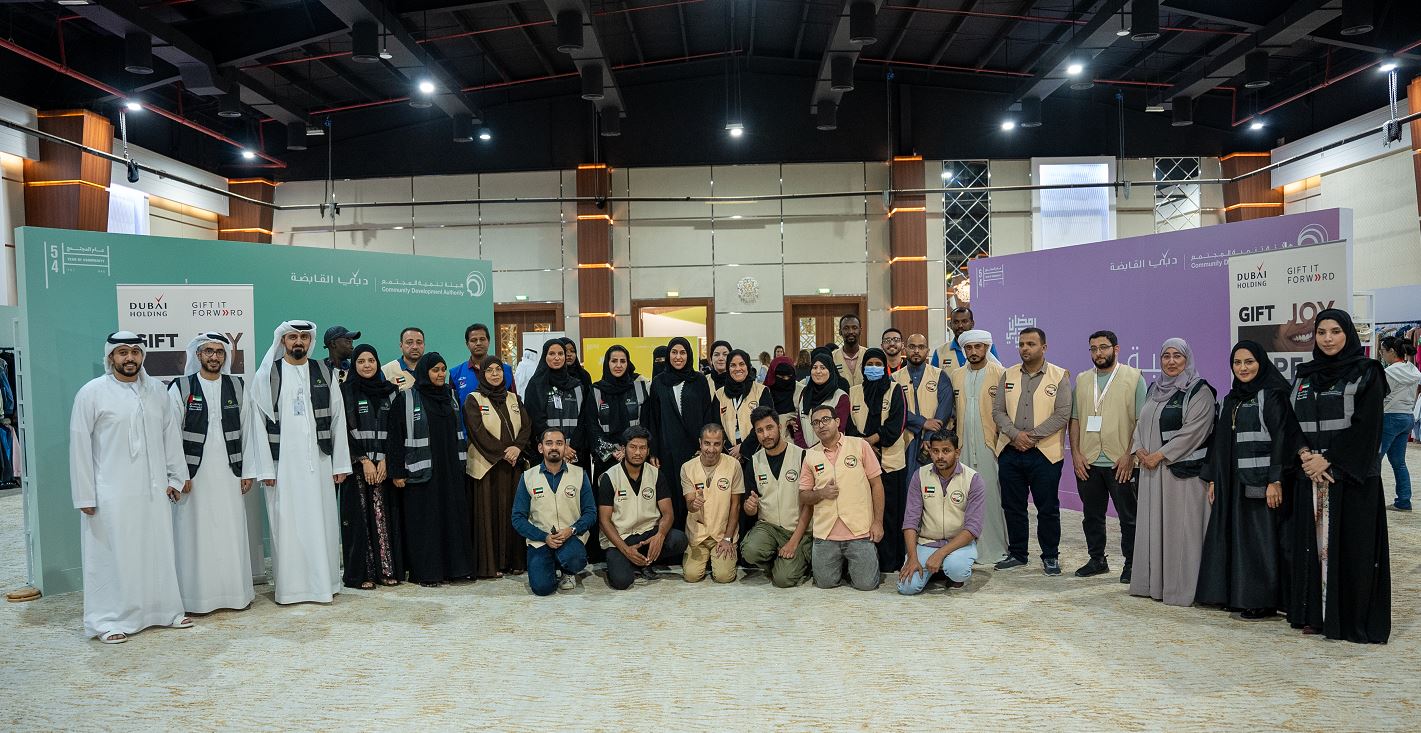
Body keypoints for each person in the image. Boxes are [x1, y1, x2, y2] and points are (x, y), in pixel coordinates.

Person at [69, 332, 191, 643]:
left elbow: (170, 437)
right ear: (110, 357)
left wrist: (176, 477)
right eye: (122, 352)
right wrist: (84, 494)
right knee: (112, 556)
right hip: (111, 491)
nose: (130, 358)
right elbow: (79, 445)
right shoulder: (92, 393)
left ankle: (165, 612)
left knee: (157, 550)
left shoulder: (157, 391)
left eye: (135, 352)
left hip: (153, 489)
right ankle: (107, 621)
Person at [1287, 309, 1391, 643]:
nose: (1328, 338)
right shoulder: (1304, 375)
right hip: (1311, 476)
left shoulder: (1367, 372)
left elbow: (1368, 426)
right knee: (1312, 549)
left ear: (1348, 334)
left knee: (1352, 551)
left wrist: (1329, 459)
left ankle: (1347, 619)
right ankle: (1315, 616)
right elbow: (1290, 422)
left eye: (1335, 331)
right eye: (1321, 332)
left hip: (1350, 478)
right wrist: (1304, 454)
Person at [247, 320, 351, 605]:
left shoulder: (324, 371)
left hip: (320, 461)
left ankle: (324, 584)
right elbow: (258, 423)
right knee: (287, 524)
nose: (299, 342)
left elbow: (338, 417)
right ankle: (291, 589)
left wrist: (340, 464)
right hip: (282, 465)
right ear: (283, 341)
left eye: (304, 337)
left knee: (322, 521)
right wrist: (265, 468)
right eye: (293, 337)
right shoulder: (268, 374)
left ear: (310, 341)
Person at [1196, 341, 1301, 619]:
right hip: (1231, 484)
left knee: (1260, 540)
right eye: (1237, 363)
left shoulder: (1274, 395)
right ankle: (1238, 595)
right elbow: (1219, 442)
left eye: (1249, 362)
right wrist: (1214, 479)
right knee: (1235, 538)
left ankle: (1263, 600)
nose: (1242, 368)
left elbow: (1282, 439)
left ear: (1261, 363)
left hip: (1261, 481)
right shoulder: (1231, 399)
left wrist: (1275, 480)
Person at [167, 332, 255, 613]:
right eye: (208, 351)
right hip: (193, 474)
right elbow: (170, 435)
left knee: (230, 531)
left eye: (219, 352)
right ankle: (195, 598)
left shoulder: (237, 386)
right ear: (198, 355)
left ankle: (235, 595)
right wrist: (179, 475)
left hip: (230, 472)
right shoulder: (181, 387)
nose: (214, 356)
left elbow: (248, 430)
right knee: (194, 534)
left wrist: (248, 471)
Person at [1128, 338, 1216, 605]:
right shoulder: (1154, 388)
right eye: (1166, 356)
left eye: (1178, 356)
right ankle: (1152, 584)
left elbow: (1194, 432)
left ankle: (1180, 590)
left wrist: (1159, 455)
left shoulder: (1200, 391)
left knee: (1180, 533)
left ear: (1187, 359)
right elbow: (1141, 422)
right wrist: (1138, 449)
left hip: (1182, 476)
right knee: (1153, 529)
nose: (1171, 361)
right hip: (1152, 473)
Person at [387, 352, 474, 587]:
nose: (441, 374)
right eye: (435, 370)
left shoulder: (451, 397)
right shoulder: (406, 398)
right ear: (425, 372)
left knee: (451, 520)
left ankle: (456, 569)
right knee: (426, 523)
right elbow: (395, 437)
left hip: (450, 471)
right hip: (421, 474)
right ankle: (427, 573)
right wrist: (397, 471)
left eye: (443, 369)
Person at [992, 327, 1071, 575]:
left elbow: (1062, 414)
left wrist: (1031, 437)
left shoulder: (1059, 375)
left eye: (1031, 344)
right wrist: (1015, 435)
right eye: (1022, 344)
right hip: (1010, 450)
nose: (1025, 348)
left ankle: (1050, 556)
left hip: (1044, 454)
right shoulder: (1008, 374)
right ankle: (1018, 553)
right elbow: (998, 412)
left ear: (1043, 348)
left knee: (1047, 508)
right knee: (1013, 506)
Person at [1068, 330, 1147, 581]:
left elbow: (1141, 421)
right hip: (1088, 461)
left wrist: (1129, 455)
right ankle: (1097, 560)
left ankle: (1132, 564)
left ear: (1116, 349)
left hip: (1120, 462)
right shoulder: (1082, 379)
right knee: (1092, 516)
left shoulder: (1134, 378)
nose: (1098, 353)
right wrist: (1076, 454)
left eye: (1103, 347)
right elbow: (1075, 420)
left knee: (1129, 518)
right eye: (1093, 349)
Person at [799, 404, 886, 590]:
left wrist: (878, 522)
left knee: (867, 585)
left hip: (859, 531)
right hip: (826, 534)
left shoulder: (860, 445)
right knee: (824, 584)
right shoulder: (810, 455)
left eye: (826, 420)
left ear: (837, 421)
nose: (821, 425)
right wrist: (821, 493)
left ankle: (861, 564)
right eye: (816, 422)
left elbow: (877, 485)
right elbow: (804, 495)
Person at [339, 344, 403, 589]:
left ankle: (386, 570)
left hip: (385, 466)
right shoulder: (345, 392)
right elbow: (343, 431)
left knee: (383, 517)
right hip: (356, 467)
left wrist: (386, 459)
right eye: (361, 361)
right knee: (359, 520)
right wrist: (364, 460)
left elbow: (397, 430)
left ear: (378, 363)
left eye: (371, 360)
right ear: (354, 365)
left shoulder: (392, 392)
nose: (367, 365)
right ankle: (362, 574)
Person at [465, 355, 531, 578]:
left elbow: (526, 427)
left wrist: (517, 448)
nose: (495, 374)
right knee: (489, 515)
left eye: (499, 370)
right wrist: (504, 453)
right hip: (487, 467)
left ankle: (515, 561)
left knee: (513, 513)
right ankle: (490, 565)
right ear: (482, 374)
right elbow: (477, 432)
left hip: (513, 466)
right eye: (490, 370)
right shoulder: (474, 399)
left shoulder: (514, 398)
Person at [597, 427, 687, 589]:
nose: (638, 452)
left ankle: (643, 561)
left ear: (648, 451)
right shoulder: (609, 477)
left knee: (678, 540)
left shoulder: (656, 474)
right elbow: (604, 521)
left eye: (642, 448)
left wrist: (660, 535)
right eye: (633, 447)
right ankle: (633, 561)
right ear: (623, 449)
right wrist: (626, 550)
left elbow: (668, 513)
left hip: (648, 534)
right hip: (620, 538)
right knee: (622, 581)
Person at [642, 337, 718, 529]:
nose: (678, 357)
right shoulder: (659, 382)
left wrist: (705, 445)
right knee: (672, 495)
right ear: (669, 355)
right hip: (668, 450)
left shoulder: (699, 380)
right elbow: (654, 419)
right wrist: (654, 451)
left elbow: (707, 414)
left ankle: (699, 537)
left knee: (697, 496)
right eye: (674, 352)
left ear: (689, 355)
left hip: (694, 450)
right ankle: (676, 538)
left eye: (683, 352)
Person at [949, 329, 1009, 564]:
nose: (973, 352)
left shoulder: (1000, 373)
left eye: (978, 347)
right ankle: (965, 547)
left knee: (991, 497)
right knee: (964, 497)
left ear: (986, 348)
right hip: (963, 446)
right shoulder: (956, 375)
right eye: (969, 348)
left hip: (990, 446)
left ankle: (994, 548)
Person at [512, 428, 596, 595]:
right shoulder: (528, 477)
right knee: (542, 589)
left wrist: (571, 530)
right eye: (549, 443)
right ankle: (549, 566)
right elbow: (517, 518)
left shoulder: (579, 474)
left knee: (576, 560)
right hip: (540, 540)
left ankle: (568, 571)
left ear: (565, 447)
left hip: (570, 537)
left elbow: (590, 512)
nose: (554, 447)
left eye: (559, 443)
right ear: (541, 448)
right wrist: (544, 537)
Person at [898, 431, 982, 595]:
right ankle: (936, 570)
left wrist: (940, 554)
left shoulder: (973, 479)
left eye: (946, 451)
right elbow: (910, 521)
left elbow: (973, 528)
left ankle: (948, 570)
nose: (940, 456)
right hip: (927, 542)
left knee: (957, 570)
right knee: (906, 588)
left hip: (958, 543)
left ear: (957, 452)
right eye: (935, 451)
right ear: (930, 451)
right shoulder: (920, 476)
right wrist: (912, 558)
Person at [848, 348, 908, 571]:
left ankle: (890, 562)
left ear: (885, 367)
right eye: (869, 364)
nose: (873, 368)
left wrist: (872, 441)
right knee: (865, 513)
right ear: (863, 367)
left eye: (878, 364)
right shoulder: (854, 392)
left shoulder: (895, 390)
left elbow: (897, 423)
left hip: (890, 463)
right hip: (861, 463)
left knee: (891, 514)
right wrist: (864, 446)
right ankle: (867, 561)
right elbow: (848, 426)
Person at [742, 407, 813, 587]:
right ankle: (778, 561)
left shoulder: (802, 456)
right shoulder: (754, 462)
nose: (766, 435)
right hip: (769, 527)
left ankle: (796, 560)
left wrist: (793, 542)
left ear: (779, 427)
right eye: (760, 430)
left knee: (783, 580)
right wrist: (749, 508)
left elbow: (809, 505)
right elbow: (749, 508)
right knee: (750, 551)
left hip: (797, 529)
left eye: (769, 428)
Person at [680, 424, 745, 583]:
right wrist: (693, 504)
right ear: (700, 443)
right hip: (698, 535)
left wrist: (728, 538)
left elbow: (736, 505)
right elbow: (689, 504)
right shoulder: (687, 468)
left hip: (722, 534)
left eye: (716, 444)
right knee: (691, 576)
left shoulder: (734, 465)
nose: (711, 449)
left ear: (723, 444)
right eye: (707, 443)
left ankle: (722, 556)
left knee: (724, 577)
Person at [522, 339, 598, 473]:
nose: (557, 358)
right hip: (546, 452)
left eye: (560, 354)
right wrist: (559, 447)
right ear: (544, 356)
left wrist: (571, 447)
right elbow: (536, 421)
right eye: (552, 354)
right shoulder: (536, 385)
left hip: (574, 452)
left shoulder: (577, 385)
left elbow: (583, 419)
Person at [893, 333, 955, 477]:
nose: (916, 351)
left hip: (936, 441)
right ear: (905, 349)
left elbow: (945, 409)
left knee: (936, 483)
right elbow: (895, 410)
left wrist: (929, 436)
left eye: (921, 347)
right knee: (909, 484)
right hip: (906, 440)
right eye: (912, 347)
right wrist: (922, 422)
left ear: (927, 351)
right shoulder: (894, 379)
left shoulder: (940, 375)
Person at [592, 345, 650, 476]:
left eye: (623, 361)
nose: (618, 365)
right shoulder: (596, 390)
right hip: (606, 459)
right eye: (614, 361)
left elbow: (645, 423)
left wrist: (628, 450)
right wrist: (611, 450)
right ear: (607, 363)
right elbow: (592, 425)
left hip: (635, 457)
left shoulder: (639, 388)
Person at [1379, 336, 1419, 511]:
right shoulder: (1413, 370)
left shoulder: (1389, 372)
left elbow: (1380, 396)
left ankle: (1371, 501)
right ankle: (1403, 501)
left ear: (1392, 352)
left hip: (1389, 417)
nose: (1381, 354)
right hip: (1407, 417)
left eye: (1382, 351)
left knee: (1373, 462)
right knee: (1399, 462)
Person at [716, 349, 774, 461]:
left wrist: (743, 448)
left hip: (757, 453)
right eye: (733, 365)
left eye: (742, 364)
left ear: (748, 366)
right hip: (728, 454)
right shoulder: (719, 395)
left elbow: (765, 422)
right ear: (728, 368)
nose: (738, 368)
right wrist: (730, 450)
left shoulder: (761, 391)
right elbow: (716, 425)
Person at [791, 351, 850, 449]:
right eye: (814, 367)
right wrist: (806, 451)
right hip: (806, 452)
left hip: (832, 451)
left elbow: (838, 429)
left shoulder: (841, 397)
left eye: (823, 368)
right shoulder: (805, 394)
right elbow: (798, 428)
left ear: (830, 371)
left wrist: (817, 451)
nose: (818, 371)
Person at [450, 323, 516, 408]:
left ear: (488, 342)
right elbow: (454, 408)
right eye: (473, 340)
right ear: (467, 344)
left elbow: (514, 404)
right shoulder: (456, 373)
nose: (478, 343)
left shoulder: (505, 370)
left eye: (482, 339)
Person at [764, 356, 799, 436]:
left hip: (794, 439)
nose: (786, 379)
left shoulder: (800, 390)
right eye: (782, 377)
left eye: (789, 376)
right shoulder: (765, 392)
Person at [382, 327, 425, 391]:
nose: (415, 347)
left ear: (424, 345)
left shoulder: (432, 370)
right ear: (401, 345)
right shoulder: (386, 371)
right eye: (409, 342)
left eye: (419, 342)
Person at [831, 314, 865, 388]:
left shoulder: (868, 354)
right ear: (840, 331)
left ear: (860, 330)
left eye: (854, 328)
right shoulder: (832, 357)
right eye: (846, 328)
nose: (850, 331)